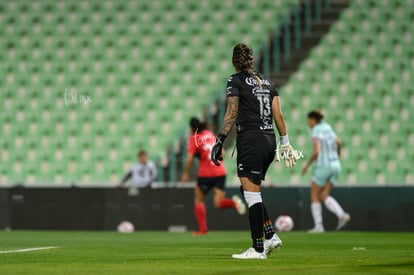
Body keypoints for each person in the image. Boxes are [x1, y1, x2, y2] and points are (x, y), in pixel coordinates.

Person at [210, 43, 297, 259]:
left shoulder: (235, 80)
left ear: (234, 62)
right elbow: (279, 114)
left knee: (250, 194)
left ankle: (258, 249)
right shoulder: (268, 81)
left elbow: (232, 112)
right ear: (252, 60)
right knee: (248, 191)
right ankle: (270, 236)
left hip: (251, 139)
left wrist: (219, 140)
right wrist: (285, 142)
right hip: (269, 140)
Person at [181, 117, 246, 236]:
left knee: (198, 200)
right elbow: (223, 152)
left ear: (192, 128)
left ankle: (202, 229)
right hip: (220, 172)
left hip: (206, 174)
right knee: (218, 203)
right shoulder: (210, 134)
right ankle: (233, 203)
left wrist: (185, 173)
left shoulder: (194, 138)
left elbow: (190, 159)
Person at [301, 110, 350, 233]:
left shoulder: (316, 131)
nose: (308, 122)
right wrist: (337, 154)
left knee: (314, 194)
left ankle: (319, 226)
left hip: (324, 166)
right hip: (335, 165)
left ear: (313, 119)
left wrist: (307, 165)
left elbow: (316, 151)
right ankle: (341, 215)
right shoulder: (328, 127)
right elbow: (339, 142)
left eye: (308, 120)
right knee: (324, 195)